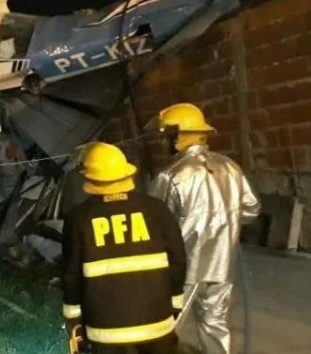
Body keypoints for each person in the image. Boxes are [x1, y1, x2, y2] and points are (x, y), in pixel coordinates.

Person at [150, 103, 261, 354]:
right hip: (222, 263)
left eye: (167, 135)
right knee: (215, 323)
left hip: (183, 265)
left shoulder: (170, 175)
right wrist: (226, 224)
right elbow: (251, 209)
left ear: (178, 136)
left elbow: (154, 222)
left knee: (165, 323)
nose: (164, 142)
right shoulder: (230, 167)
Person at [62, 142, 187, 354]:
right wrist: (175, 303)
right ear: (125, 173)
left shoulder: (79, 218)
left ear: (90, 177)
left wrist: (74, 319)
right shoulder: (156, 209)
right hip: (157, 323)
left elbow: (71, 275)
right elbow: (178, 260)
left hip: (105, 330)